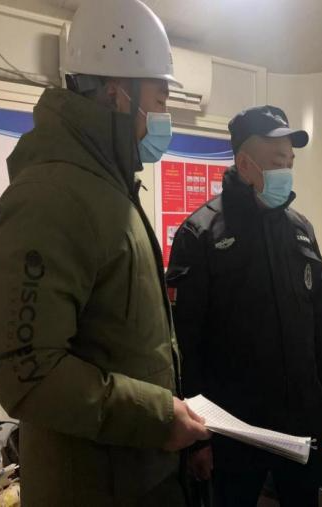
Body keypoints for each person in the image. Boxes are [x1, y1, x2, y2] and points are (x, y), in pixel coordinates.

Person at [0, 0, 209, 505]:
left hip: (137, 474)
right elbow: (28, 373)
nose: (163, 117)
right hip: (94, 487)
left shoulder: (107, 186)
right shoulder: (52, 195)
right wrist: (158, 416)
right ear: (117, 94)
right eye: (159, 100)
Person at [166, 105, 322, 507]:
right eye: (276, 161)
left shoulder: (300, 229)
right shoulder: (200, 233)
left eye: (290, 162)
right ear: (245, 163)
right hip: (235, 427)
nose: (286, 171)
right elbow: (186, 345)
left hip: (302, 418)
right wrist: (197, 439)